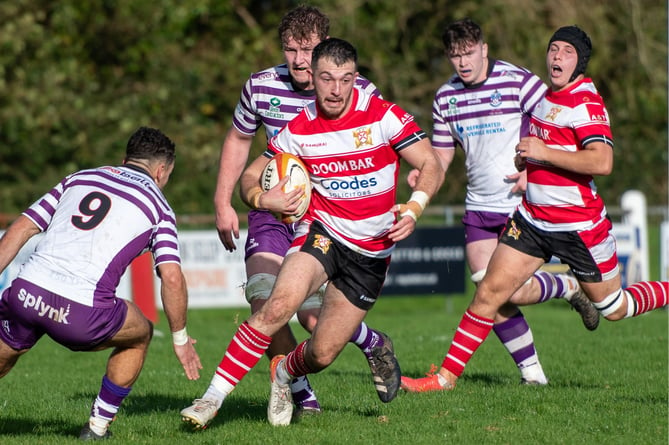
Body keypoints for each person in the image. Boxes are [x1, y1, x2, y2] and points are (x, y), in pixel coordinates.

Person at [180, 37, 444, 428]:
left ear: (356, 77)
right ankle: (211, 398)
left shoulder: (383, 115)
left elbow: (430, 161)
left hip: (371, 253)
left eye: (346, 78)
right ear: (312, 77)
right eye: (327, 78)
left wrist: (416, 205)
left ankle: (285, 374)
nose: (336, 89)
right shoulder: (300, 127)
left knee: (321, 353)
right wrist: (259, 197)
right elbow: (251, 175)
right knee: (276, 306)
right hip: (322, 234)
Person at [400, 25, 668, 393]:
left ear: (580, 63)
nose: (556, 56)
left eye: (566, 52)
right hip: (532, 218)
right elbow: (532, 143)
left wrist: (542, 154)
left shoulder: (585, 101)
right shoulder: (545, 97)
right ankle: (444, 379)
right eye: (553, 49)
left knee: (614, 308)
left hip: (578, 225)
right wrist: (527, 162)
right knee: (489, 292)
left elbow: (602, 161)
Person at [208, 5, 388, 419]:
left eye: (308, 49)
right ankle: (303, 397)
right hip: (273, 212)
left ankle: (370, 342)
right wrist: (222, 202)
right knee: (262, 299)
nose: (299, 59)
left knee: (314, 323)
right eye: (290, 49)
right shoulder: (260, 86)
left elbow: (380, 139)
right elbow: (238, 140)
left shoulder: (356, 88)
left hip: (328, 216)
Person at [0, 127, 202, 440]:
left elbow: (19, 230)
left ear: (125, 159)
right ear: (162, 170)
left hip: (28, 292)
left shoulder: (79, 178)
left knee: (7, 349)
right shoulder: (159, 207)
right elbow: (171, 277)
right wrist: (181, 339)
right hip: (81, 315)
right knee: (140, 334)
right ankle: (96, 428)